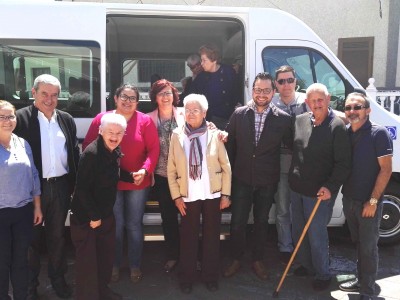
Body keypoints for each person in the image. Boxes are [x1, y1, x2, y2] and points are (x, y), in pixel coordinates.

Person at [83, 83, 160, 284]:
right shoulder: (102, 119)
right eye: (123, 97)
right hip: (109, 184)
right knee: (114, 226)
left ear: (137, 102)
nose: (127, 101)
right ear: (115, 99)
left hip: (137, 182)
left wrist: (145, 170)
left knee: (134, 225)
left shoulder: (145, 121)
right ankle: (114, 264)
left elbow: (153, 150)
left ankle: (135, 265)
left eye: (132, 98)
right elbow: (89, 146)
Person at [14, 74, 80, 299]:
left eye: (54, 95)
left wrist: (74, 186)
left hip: (60, 187)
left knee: (58, 237)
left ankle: (57, 280)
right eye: (44, 94)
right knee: (31, 240)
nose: (49, 100)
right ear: (34, 93)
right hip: (33, 189)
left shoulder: (66, 119)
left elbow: (73, 153)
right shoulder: (20, 119)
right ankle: (30, 286)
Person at [224, 72, 292, 280]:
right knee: (238, 222)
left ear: (273, 92)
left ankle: (257, 260)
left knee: (261, 222)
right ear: (252, 91)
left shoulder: (284, 119)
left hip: (267, 180)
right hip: (242, 178)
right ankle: (236, 258)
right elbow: (228, 143)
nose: (261, 94)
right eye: (258, 90)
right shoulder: (239, 114)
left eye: (266, 90)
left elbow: (292, 146)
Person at [289, 83, 351, 291]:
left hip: (319, 192)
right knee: (299, 231)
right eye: (312, 101)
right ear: (306, 103)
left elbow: (343, 163)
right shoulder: (300, 121)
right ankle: (307, 265)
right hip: (297, 188)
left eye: (320, 100)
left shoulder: (337, 126)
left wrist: (330, 187)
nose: (316, 104)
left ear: (328, 99)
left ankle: (323, 273)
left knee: (317, 235)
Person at [167, 94, 231, 294]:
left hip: (212, 194)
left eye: (196, 110)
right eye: (187, 110)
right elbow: (171, 169)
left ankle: (210, 276)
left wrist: (226, 195)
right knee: (188, 237)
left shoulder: (214, 134)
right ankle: (187, 277)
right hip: (188, 196)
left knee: (212, 237)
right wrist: (176, 196)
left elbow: (226, 166)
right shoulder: (177, 135)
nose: (191, 114)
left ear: (204, 113)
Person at [71, 113, 131, 300]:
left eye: (119, 133)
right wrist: (94, 216)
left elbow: (113, 172)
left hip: (105, 214)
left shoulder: (112, 150)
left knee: (104, 259)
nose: (114, 136)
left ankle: (103, 292)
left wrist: (132, 176)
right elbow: (81, 189)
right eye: (110, 132)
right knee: (88, 264)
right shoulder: (92, 154)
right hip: (88, 218)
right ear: (100, 131)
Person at [338, 92, 392, 300]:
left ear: (368, 110)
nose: (353, 111)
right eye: (349, 108)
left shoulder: (378, 134)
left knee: (368, 247)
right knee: (359, 243)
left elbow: (386, 170)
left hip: (368, 202)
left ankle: (368, 290)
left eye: (357, 107)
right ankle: (361, 280)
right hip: (349, 199)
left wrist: (373, 201)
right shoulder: (346, 132)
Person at [0, 100, 42, 300]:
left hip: (23, 211)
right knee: (2, 261)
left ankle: (21, 296)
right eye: (2, 117)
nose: (7, 121)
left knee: (21, 261)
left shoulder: (22, 143)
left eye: (10, 116)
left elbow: (33, 175)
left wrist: (37, 206)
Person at [147, 79, 185, 272]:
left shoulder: (186, 114)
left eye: (168, 93)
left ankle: (189, 255)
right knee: (168, 217)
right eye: (161, 93)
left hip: (185, 176)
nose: (165, 97)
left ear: (174, 95)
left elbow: (205, 126)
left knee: (188, 217)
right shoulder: (148, 118)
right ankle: (173, 255)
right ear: (155, 97)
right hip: (162, 176)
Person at [272, 65, 308, 263]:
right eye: (281, 81)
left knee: (303, 210)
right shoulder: (271, 102)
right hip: (281, 166)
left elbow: (326, 115)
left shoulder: (307, 101)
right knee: (283, 209)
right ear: (276, 84)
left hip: (305, 166)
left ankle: (302, 248)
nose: (286, 84)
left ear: (296, 81)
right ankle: (286, 248)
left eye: (290, 80)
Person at [190, 44, 239, 129]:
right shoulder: (201, 77)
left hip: (230, 119)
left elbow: (237, 91)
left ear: (214, 60)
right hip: (209, 122)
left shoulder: (228, 72)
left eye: (204, 60)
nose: (201, 64)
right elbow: (192, 96)